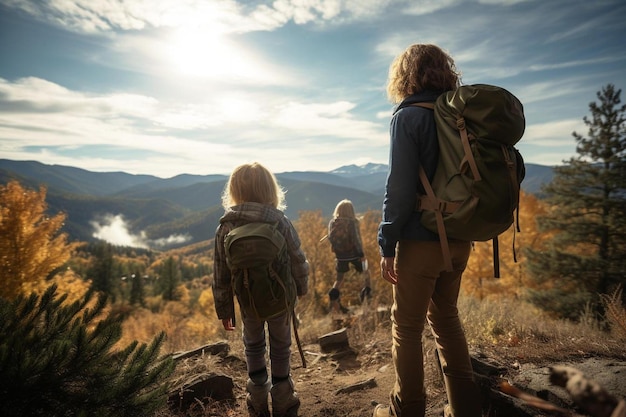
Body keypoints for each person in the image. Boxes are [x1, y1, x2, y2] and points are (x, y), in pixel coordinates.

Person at [374, 44, 483, 417]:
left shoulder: (408, 117)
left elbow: (400, 189)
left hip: (421, 242)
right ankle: (465, 409)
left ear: (406, 75)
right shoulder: (461, 115)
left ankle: (408, 410)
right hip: (459, 237)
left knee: (406, 328)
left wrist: (387, 240)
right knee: (446, 319)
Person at [212, 162, 309, 417]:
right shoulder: (281, 222)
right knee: (281, 345)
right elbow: (298, 258)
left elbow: (220, 273)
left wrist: (224, 309)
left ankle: (256, 398)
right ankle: (283, 398)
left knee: (253, 345)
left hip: (247, 301)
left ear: (234, 191)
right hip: (280, 299)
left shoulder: (225, 227)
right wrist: (301, 287)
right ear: (270, 190)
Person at [327, 199, 371, 314]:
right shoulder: (353, 222)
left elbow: (330, 238)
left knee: (339, 279)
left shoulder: (332, 222)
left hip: (340, 256)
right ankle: (366, 296)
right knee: (366, 272)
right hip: (354, 255)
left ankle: (334, 297)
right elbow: (357, 240)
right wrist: (361, 254)